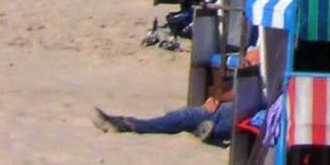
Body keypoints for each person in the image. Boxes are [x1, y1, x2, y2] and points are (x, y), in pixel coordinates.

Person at [94, 50, 264, 140]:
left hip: (253, 107)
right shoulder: (266, 49)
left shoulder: (277, 57)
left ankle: (130, 124)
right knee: (207, 117)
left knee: (191, 115)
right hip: (246, 104)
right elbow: (239, 90)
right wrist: (217, 98)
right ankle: (204, 131)